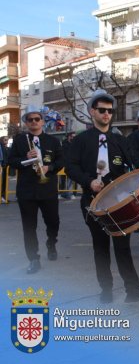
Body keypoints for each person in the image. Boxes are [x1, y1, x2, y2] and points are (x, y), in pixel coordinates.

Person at [66, 89, 139, 304]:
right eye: (102, 110)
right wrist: (88, 181)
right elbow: (70, 167)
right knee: (100, 247)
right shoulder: (81, 140)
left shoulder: (119, 140)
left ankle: (133, 290)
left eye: (110, 111)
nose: (107, 114)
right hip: (91, 201)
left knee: (123, 248)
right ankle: (106, 290)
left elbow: (132, 164)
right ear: (92, 112)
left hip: (118, 202)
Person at [7, 105, 64, 274]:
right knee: (29, 227)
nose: (33, 122)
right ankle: (33, 258)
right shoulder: (19, 140)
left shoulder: (53, 141)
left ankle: (51, 243)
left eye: (37, 119)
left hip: (48, 189)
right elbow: (11, 161)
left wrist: (50, 167)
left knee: (53, 222)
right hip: (27, 190)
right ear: (25, 123)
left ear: (42, 121)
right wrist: (25, 158)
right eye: (30, 119)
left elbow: (61, 161)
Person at [59, 131, 76, 199]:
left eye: (75, 137)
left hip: (73, 165)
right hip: (65, 165)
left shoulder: (75, 144)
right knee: (64, 180)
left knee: (72, 180)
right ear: (69, 136)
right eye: (73, 136)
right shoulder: (64, 144)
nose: (74, 138)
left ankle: (72, 193)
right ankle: (63, 194)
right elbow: (63, 155)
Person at [0, 135, 9, 203]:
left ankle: (3, 196)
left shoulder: (6, 147)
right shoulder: (2, 147)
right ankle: (2, 196)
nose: (7, 141)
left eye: (7, 140)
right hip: (2, 166)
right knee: (2, 182)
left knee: (4, 182)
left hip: (4, 167)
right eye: (5, 140)